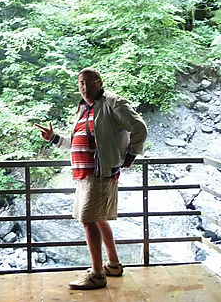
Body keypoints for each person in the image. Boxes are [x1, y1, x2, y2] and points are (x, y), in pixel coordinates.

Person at [36, 67, 148, 290]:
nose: (84, 88)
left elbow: (139, 128)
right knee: (97, 218)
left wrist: (131, 155)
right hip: (84, 174)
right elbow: (76, 141)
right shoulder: (85, 108)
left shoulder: (112, 102)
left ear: (100, 82)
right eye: (81, 84)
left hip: (99, 172)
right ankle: (113, 265)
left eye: (88, 82)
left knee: (88, 219)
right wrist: (54, 138)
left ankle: (97, 275)